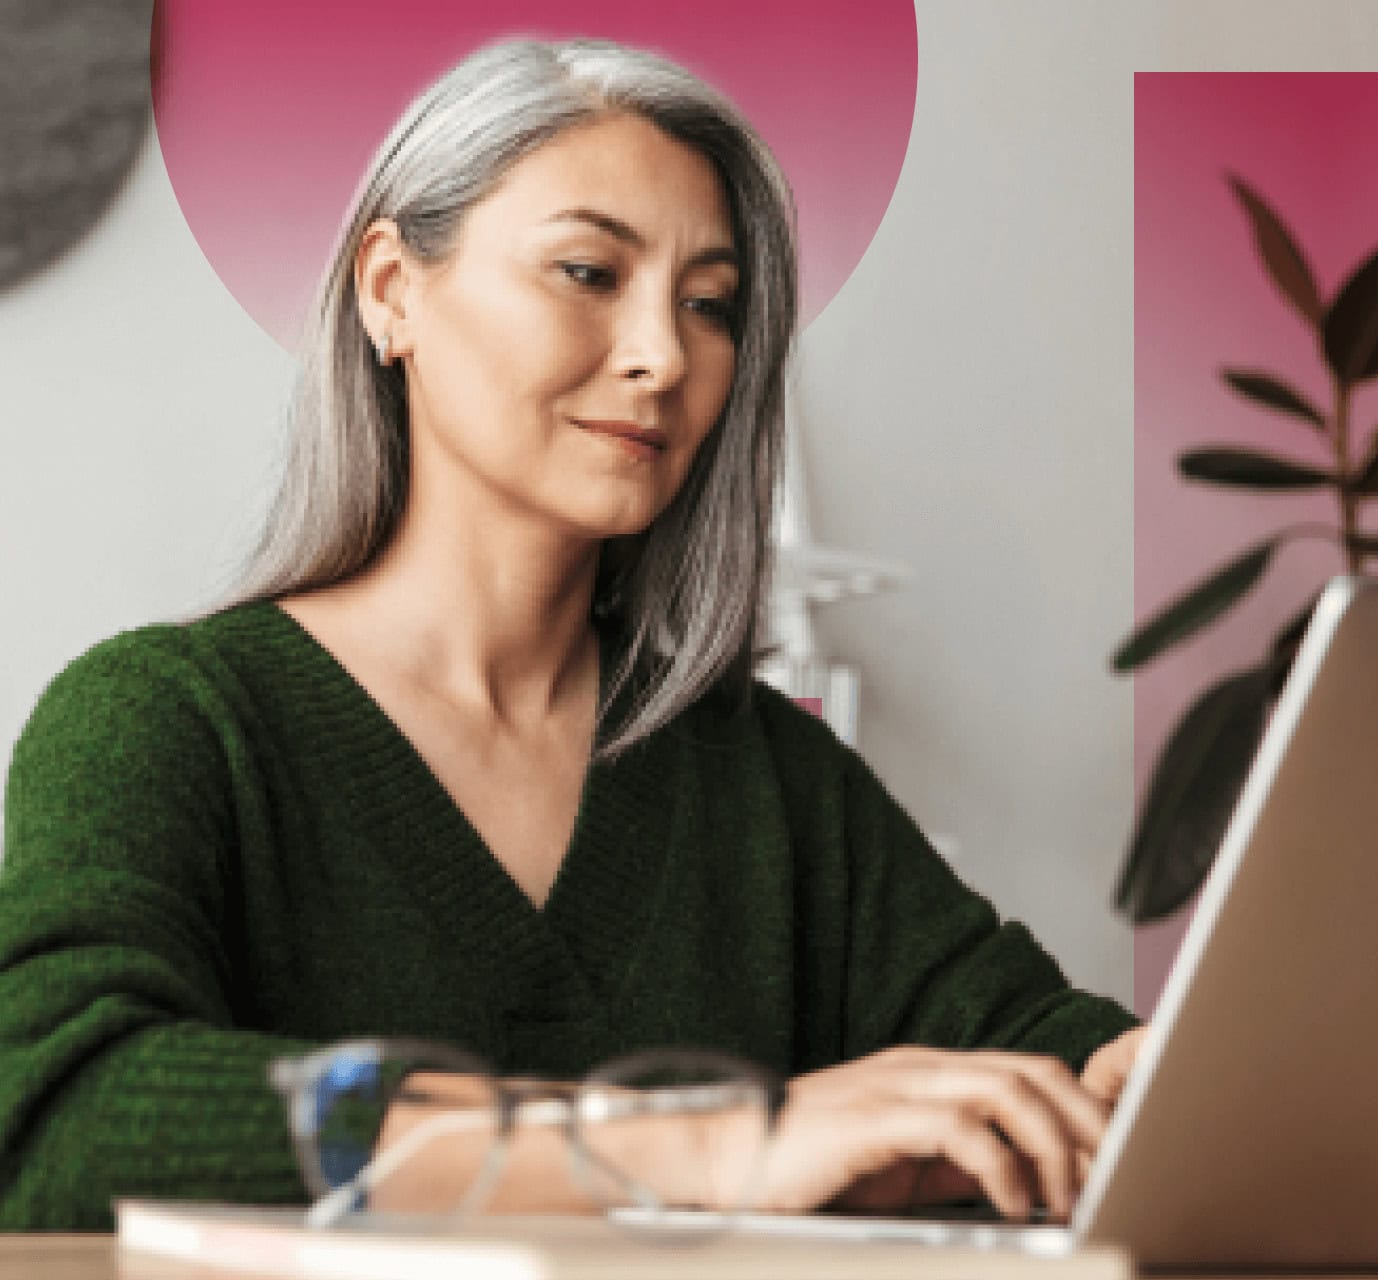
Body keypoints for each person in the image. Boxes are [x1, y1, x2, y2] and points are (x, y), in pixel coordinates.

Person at [0, 37, 1143, 1231]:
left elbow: (1045, 1059)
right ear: (392, 291)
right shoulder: (164, 722)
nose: (662, 356)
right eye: (589, 272)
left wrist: (1144, 1085)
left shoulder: (768, 778)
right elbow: (54, 1109)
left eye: (709, 304)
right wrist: (703, 1143)